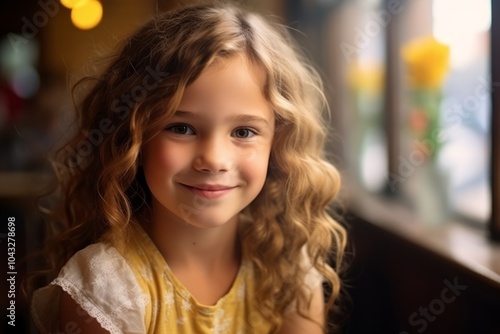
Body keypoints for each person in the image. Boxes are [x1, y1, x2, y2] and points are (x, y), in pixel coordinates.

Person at [28, 2, 347, 333]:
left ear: (278, 145)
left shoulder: (286, 269)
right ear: (132, 137)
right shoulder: (107, 288)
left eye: (244, 132)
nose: (214, 159)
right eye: (181, 128)